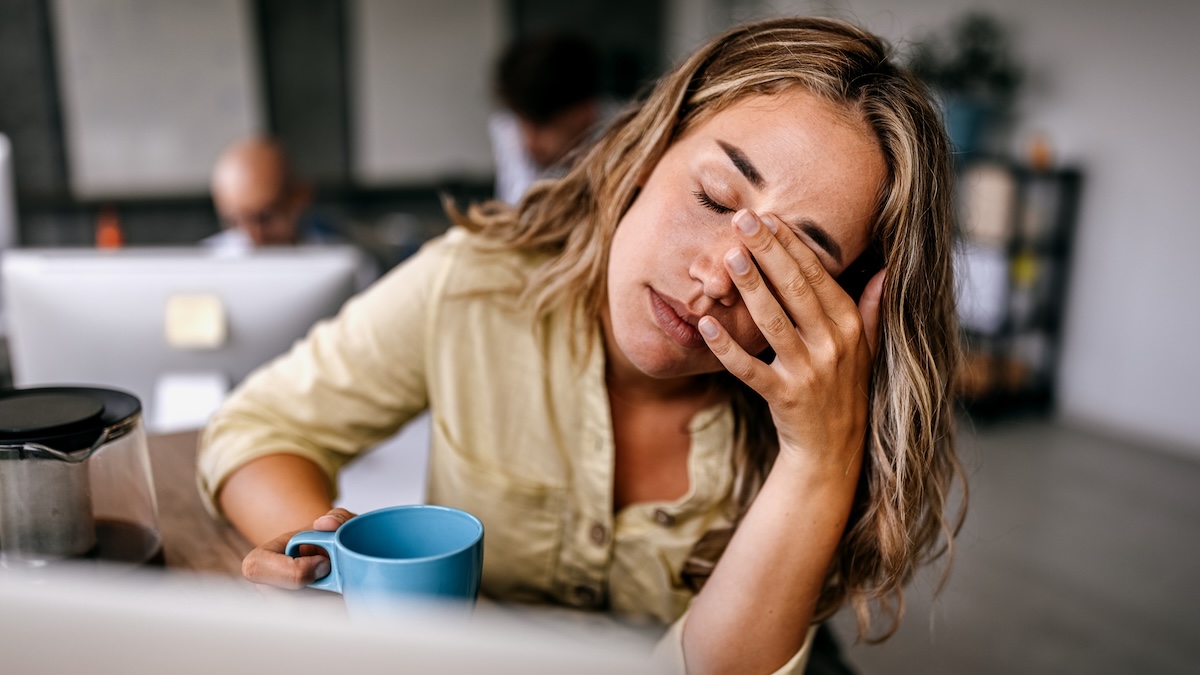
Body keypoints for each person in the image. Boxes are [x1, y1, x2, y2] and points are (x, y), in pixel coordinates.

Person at [198, 16, 965, 675]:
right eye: (714, 197)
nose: (715, 279)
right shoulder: (474, 287)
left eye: (792, 264)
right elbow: (258, 427)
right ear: (648, 149)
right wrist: (336, 573)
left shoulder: (820, 417)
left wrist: (818, 461)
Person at [488, 33, 617, 204]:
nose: (530, 141)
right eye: (522, 122)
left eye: (542, 125)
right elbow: (518, 209)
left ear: (584, 112)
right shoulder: (509, 128)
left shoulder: (625, 134)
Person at [206, 136, 341, 250]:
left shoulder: (338, 256)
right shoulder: (206, 263)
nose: (251, 237)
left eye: (263, 218)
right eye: (234, 222)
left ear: (300, 197)